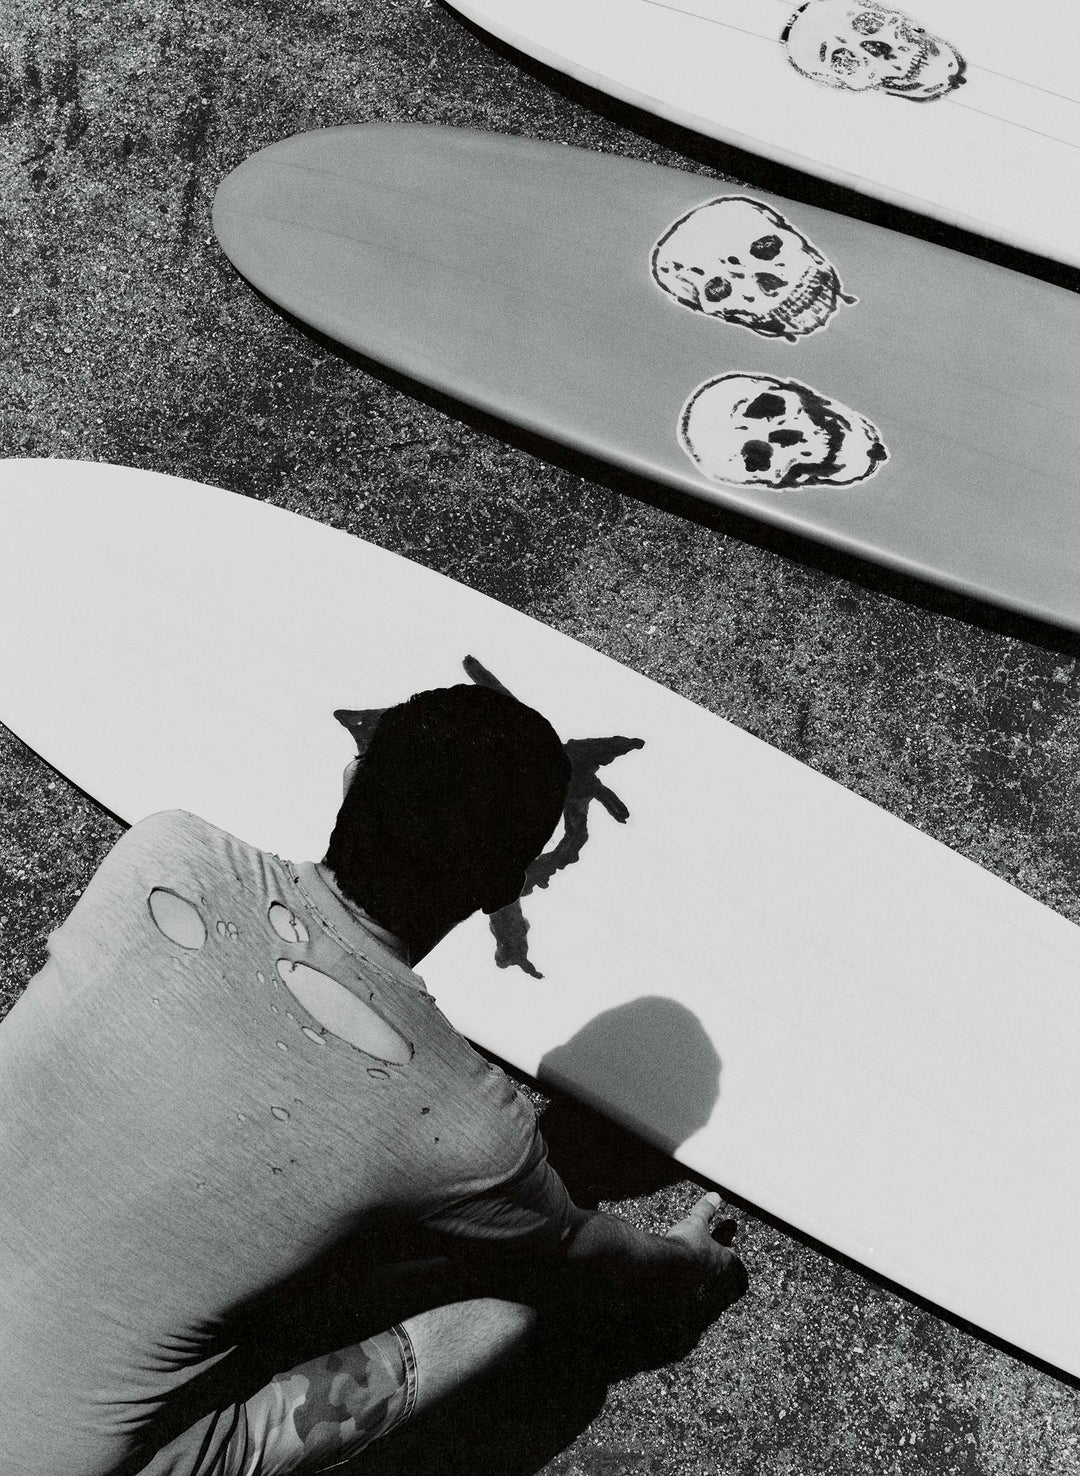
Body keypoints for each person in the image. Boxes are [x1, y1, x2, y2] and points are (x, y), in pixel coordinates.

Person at [0, 682, 738, 1476]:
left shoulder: (165, 850)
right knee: (500, 1316)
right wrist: (693, 1265)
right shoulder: (463, 1125)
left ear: (352, 781)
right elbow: (585, 1253)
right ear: (507, 886)